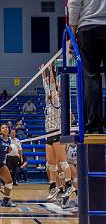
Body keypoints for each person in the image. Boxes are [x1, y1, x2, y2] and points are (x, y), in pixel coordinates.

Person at [68, 0, 106, 133]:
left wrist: (72, 34)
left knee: (90, 77)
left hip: (88, 28)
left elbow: (74, 4)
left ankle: (94, 125)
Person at [42, 64, 75, 200]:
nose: (50, 91)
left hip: (56, 132)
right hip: (49, 134)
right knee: (50, 164)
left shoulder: (56, 100)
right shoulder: (48, 101)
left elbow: (51, 83)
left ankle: (69, 185)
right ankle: (53, 187)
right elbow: (46, 85)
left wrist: (50, 70)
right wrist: (43, 73)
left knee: (62, 162)